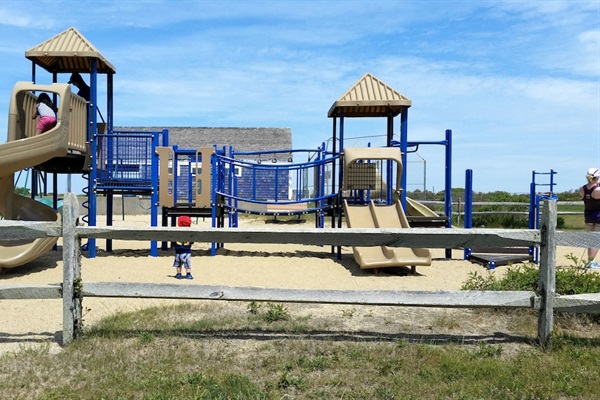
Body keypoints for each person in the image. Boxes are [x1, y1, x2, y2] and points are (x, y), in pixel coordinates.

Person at [579, 167, 600, 269]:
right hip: (598, 217)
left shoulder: (582, 188)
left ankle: (590, 261)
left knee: (591, 239)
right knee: (596, 240)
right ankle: (591, 262)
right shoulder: (597, 189)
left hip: (588, 216)